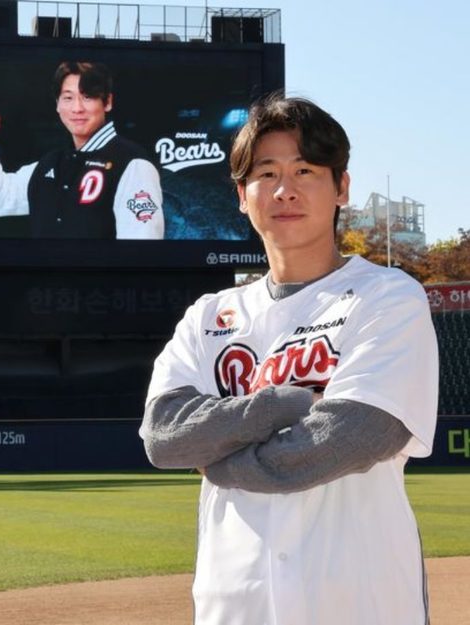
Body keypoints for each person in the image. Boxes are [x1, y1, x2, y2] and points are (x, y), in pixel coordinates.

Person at [139, 94, 438, 625]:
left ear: (341, 187)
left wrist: (221, 459)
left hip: (361, 603)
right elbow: (164, 436)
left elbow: (355, 435)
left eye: (305, 170)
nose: (285, 190)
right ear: (241, 195)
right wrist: (285, 404)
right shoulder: (208, 316)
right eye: (267, 173)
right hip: (236, 604)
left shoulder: (387, 296)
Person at [0, 61, 164, 239]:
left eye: (88, 97)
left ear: (107, 102)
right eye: (68, 98)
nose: (77, 108)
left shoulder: (133, 164)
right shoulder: (51, 163)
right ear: (57, 104)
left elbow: (141, 246)